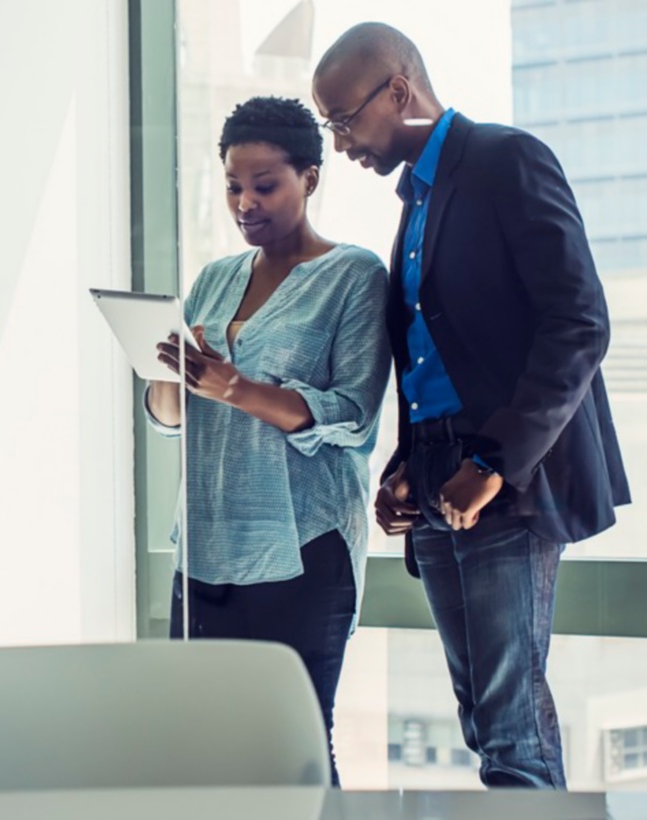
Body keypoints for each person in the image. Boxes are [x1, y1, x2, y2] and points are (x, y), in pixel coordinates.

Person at [312, 23, 630, 789]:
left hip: (506, 486)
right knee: (485, 722)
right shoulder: (416, 200)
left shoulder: (503, 161)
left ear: (398, 90)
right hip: (439, 482)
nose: (340, 141)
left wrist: (491, 462)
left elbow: (580, 322)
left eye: (344, 119)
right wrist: (404, 466)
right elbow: (436, 354)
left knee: (511, 730)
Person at [144, 96, 391, 786]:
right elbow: (169, 414)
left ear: (311, 177)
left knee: (297, 747)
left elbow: (352, 415)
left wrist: (236, 389)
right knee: (204, 751)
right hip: (205, 549)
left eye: (264, 185)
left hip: (301, 549)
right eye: (232, 185)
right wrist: (170, 372)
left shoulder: (354, 277)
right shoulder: (214, 279)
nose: (244, 202)